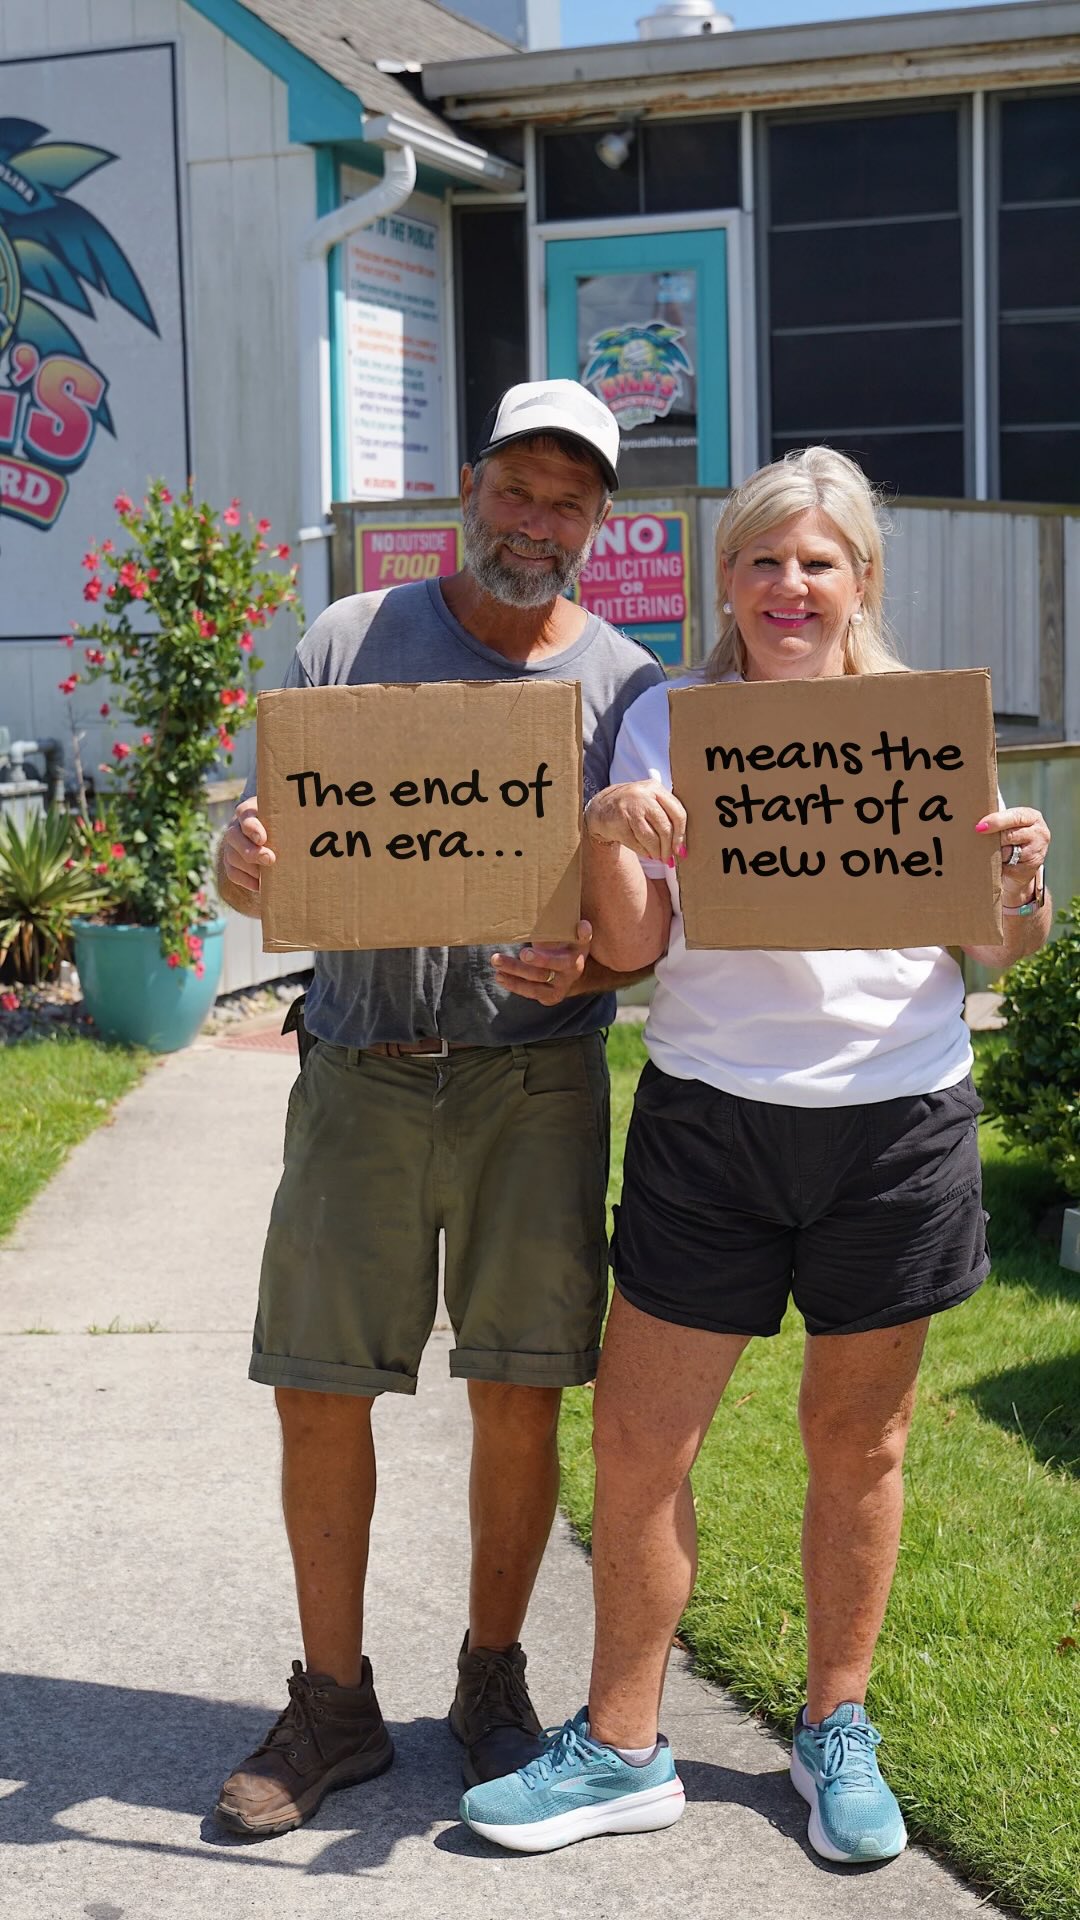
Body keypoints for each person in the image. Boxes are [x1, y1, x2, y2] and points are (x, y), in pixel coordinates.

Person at [459, 445, 1053, 1861]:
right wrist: (609, 832)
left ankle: (835, 1727)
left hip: (897, 1124)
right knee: (644, 1444)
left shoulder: (924, 728)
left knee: (863, 1443)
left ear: (861, 580)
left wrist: (1023, 886)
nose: (790, 588)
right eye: (764, 561)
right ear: (728, 578)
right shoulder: (671, 716)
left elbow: (998, 951)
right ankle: (621, 1744)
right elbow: (638, 945)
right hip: (713, 1117)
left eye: (818, 562)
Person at [212, 380, 664, 1839]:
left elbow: (640, 932)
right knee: (320, 1382)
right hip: (359, 1065)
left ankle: (489, 1677)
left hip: (537, 1082)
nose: (538, 522)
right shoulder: (353, 640)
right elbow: (267, 853)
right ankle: (332, 1703)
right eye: (518, 490)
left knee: (520, 1384)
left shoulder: (626, 686)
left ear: (602, 523)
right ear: (470, 487)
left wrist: (584, 952)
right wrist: (244, 859)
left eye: (569, 502)